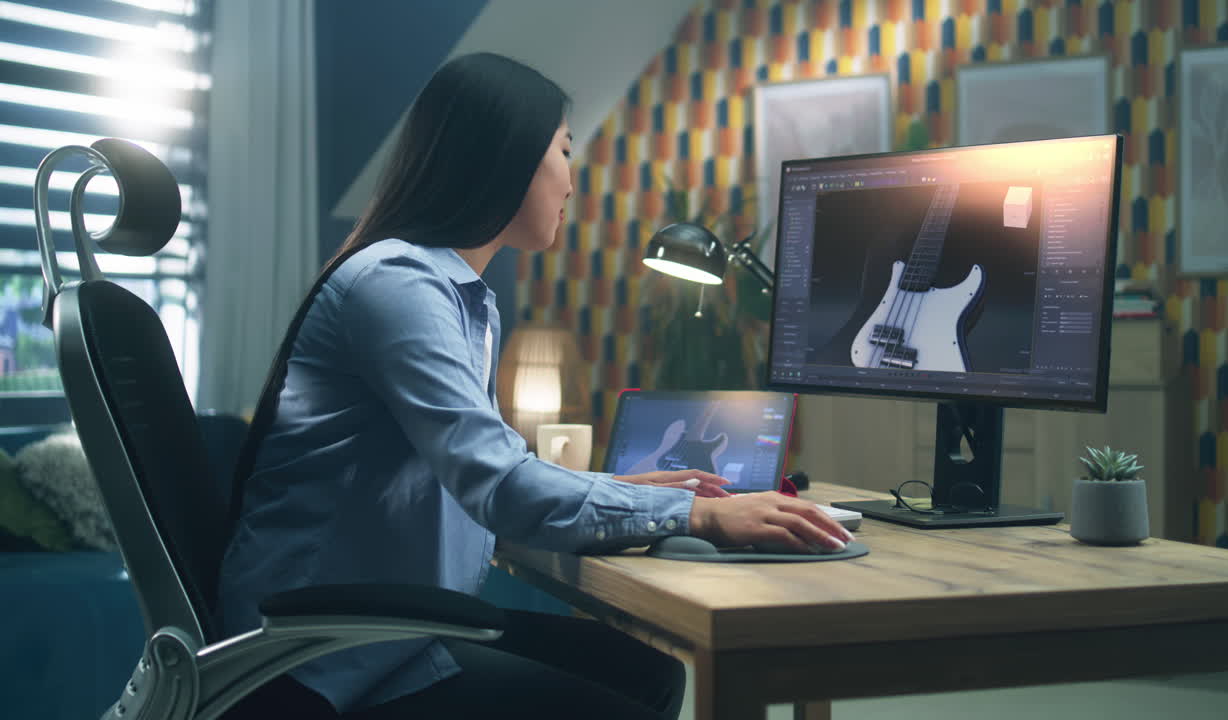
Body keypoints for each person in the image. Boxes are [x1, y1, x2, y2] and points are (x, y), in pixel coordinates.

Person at [218, 52, 852, 720]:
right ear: (508, 157)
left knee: (646, 673)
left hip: (390, 630)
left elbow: (486, 469)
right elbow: (495, 484)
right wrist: (697, 513)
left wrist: (613, 494)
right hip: (327, 657)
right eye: (565, 152)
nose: (572, 183)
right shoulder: (396, 285)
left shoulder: (460, 297)